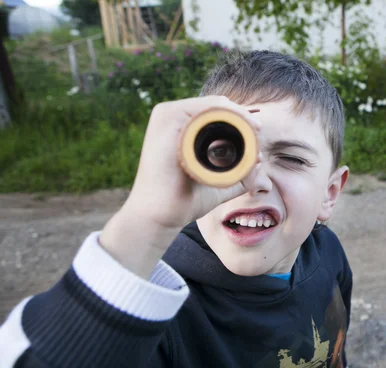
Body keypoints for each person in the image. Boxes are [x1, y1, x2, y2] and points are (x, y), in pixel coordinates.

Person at [0, 50, 353, 368]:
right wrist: (146, 222)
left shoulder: (328, 256)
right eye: (228, 153)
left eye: (291, 158)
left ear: (330, 192)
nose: (253, 179)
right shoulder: (156, 314)